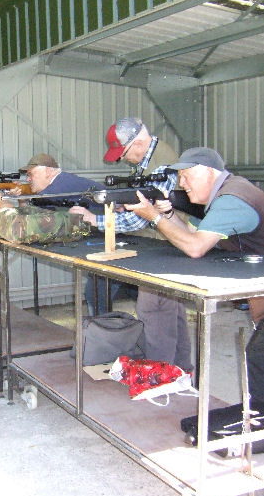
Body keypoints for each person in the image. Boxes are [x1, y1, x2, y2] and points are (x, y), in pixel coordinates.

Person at [127, 146, 264, 448]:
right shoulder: (227, 195)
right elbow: (196, 233)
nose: (182, 184)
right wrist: (167, 213)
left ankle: (249, 434)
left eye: (186, 176)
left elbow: (196, 247)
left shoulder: (231, 199)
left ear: (206, 172)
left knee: (261, 360)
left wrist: (154, 218)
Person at [70, 117, 193, 372]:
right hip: (165, 244)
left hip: (165, 246)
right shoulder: (151, 160)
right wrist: (124, 203)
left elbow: (144, 217)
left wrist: (96, 219)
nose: (123, 159)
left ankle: (159, 375)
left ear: (138, 143)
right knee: (173, 311)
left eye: (123, 153)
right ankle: (182, 371)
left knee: (153, 309)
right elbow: (145, 202)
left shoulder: (162, 164)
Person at [0, 153, 103, 210]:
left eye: (31, 174)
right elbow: (30, 214)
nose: (28, 179)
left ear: (48, 172)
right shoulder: (60, 182)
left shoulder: (57, 189)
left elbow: (20, 223)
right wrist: (22, 198)